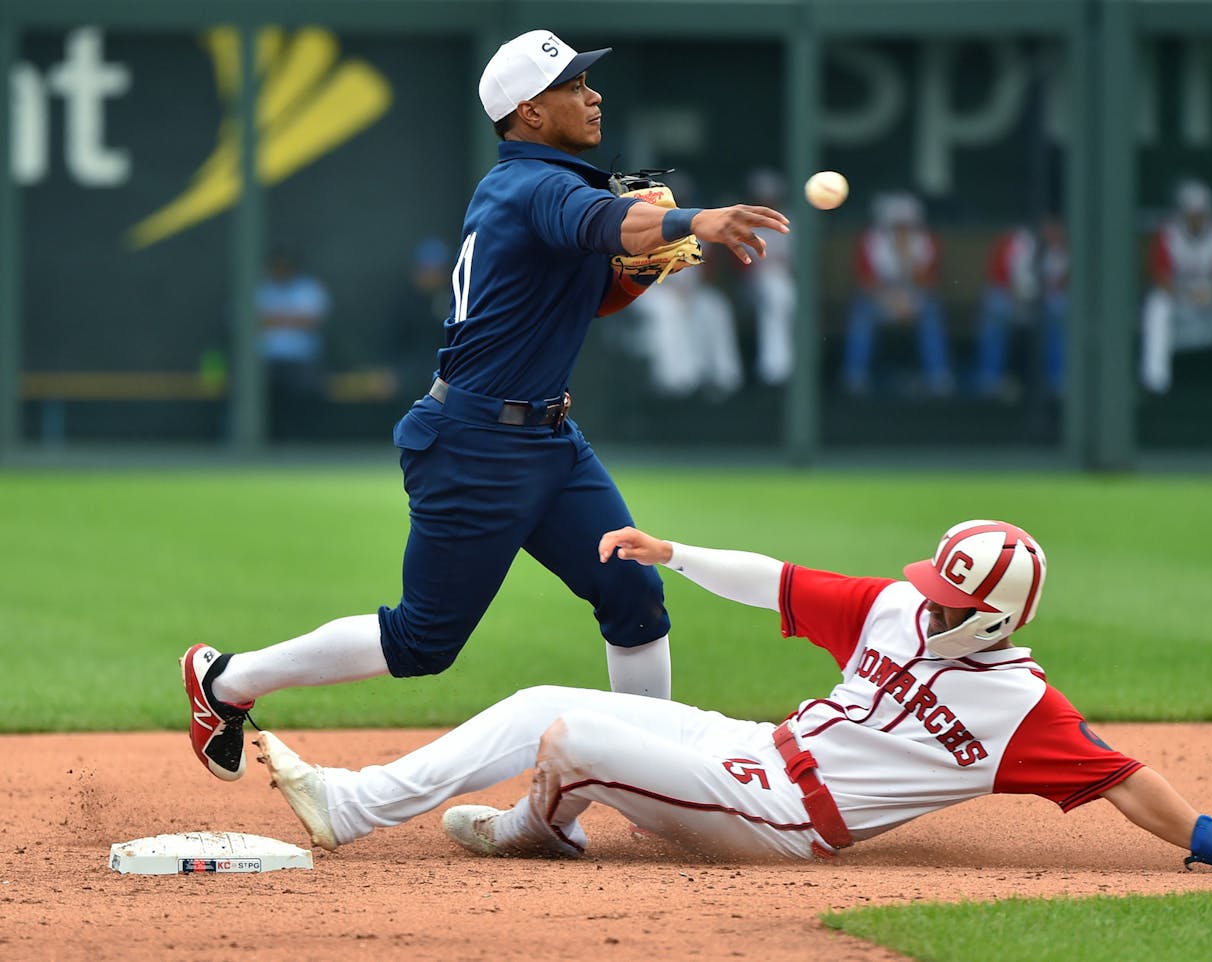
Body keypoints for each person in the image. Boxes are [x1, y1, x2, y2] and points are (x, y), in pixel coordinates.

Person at [181, 29, 789, 782]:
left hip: (550, 442)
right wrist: (691, 219)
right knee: (422, 642)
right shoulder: (535, 187)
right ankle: (226, 681)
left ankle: (652, 774)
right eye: (572, 86)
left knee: (632, 588)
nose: (592, 94)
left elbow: (587, 297)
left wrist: (635, 276)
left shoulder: (544, 185)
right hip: (475, 444)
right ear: (529, 113)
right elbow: (604, 223)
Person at [253, 519, 1212, 876]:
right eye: (936, 582)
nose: (929, 598)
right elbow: (772, 578)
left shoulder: (1019, 705)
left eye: (953, 595)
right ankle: (362, 805)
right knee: (541, 692)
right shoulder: (899, 610)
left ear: (994, 616)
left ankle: (540, 822)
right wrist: (669, 550)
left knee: (573, 732)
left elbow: (1122, 775)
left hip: (780, 821)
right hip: (755, 748)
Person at [1139, 179, 1212, 397]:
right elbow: (1159, 276)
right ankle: (1155, 380)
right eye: (1192, 213)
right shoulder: (1168, 232)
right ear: (1182, 212)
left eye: (1201, 213)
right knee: (1157, 305)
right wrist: (1184, 293)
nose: (1197, 218)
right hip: (1180, 302)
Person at [841, 193, 952, 397]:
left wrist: (906, 257)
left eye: (906, 225)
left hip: (915, 298)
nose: (902, 229)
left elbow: (929, 279)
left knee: (932, 311)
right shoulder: (871, 240)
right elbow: (865, 279)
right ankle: (855, 376)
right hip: (880, 299)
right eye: (897, 225)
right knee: (861, 312)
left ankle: (938, 378)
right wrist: (890, 298)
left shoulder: (926, 240)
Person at [972, 216, 1069, 401]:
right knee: (994, 308)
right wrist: (1016, 293)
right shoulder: (1015, 241)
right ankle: (989, 380)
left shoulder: (1063, 246)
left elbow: (1062, 284)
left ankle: (1058, 380)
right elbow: (997, 276)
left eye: (1057, 227)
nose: (1052, 230)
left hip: (1044, 304)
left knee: (1060, 310)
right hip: (1012, 301)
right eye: (1049, 226)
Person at [633, 254, 744, 401]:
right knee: (670, 308)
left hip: (688, 289)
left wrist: (688, 286)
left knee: (715, 305)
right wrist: (669, 286)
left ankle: (723, 376)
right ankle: (674, 380)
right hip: (643, 291)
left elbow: (701, 266)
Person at [257, 247, 332, 430]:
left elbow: (311, 320)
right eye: (278, 266)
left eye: (286, 266)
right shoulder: (258, 289)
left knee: (307, 388)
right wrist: (292, 318)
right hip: (263, 360)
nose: (282, 270)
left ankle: (304, 438)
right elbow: (246, 320)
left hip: (303, 360)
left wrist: (272, 318)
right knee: (255, 386)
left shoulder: (309, 288)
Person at [741, 168, 796, 387]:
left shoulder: (792, 222)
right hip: (752, 287)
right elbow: (742, 267)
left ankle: (779, 366)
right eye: (762, 199)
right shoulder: (743, 222)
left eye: (771, 198)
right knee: (775, 293)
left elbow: (802, 266)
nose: (767, 203)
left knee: (781, 295)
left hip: (788, 286)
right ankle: (776, 368)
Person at [386, 237, 452, 402]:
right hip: (406, 377)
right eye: (426, 269)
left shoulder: (453, 301)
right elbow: (394, 343)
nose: (431, 275)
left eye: (436, 270)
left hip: (444, 377)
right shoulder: (403, 303)